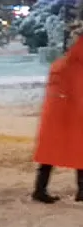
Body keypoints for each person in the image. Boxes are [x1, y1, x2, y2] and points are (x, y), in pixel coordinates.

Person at [31, 35, 83, 204]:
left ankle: (39, 189)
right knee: (80, 149)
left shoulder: (60, 64)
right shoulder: (77, 68)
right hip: (71, 115)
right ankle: (82, 190)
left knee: (49, 152)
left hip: (53, 115)